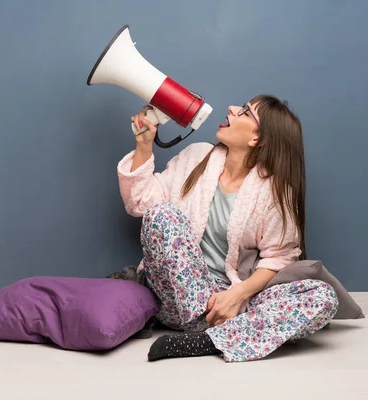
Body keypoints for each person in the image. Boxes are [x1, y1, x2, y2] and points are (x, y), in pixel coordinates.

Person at [117, 95, 339, 362]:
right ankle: (216, 328)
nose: (233, 109)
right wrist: (143, 146)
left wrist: (236, 295)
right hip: (175, 298)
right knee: (161, 214)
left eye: (245, 112)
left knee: (322, 296)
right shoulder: (195, 157)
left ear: (257, 139)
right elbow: (140, 203)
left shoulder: (272, 192)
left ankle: (207, 340)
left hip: (229, 303)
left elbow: (278, 258)